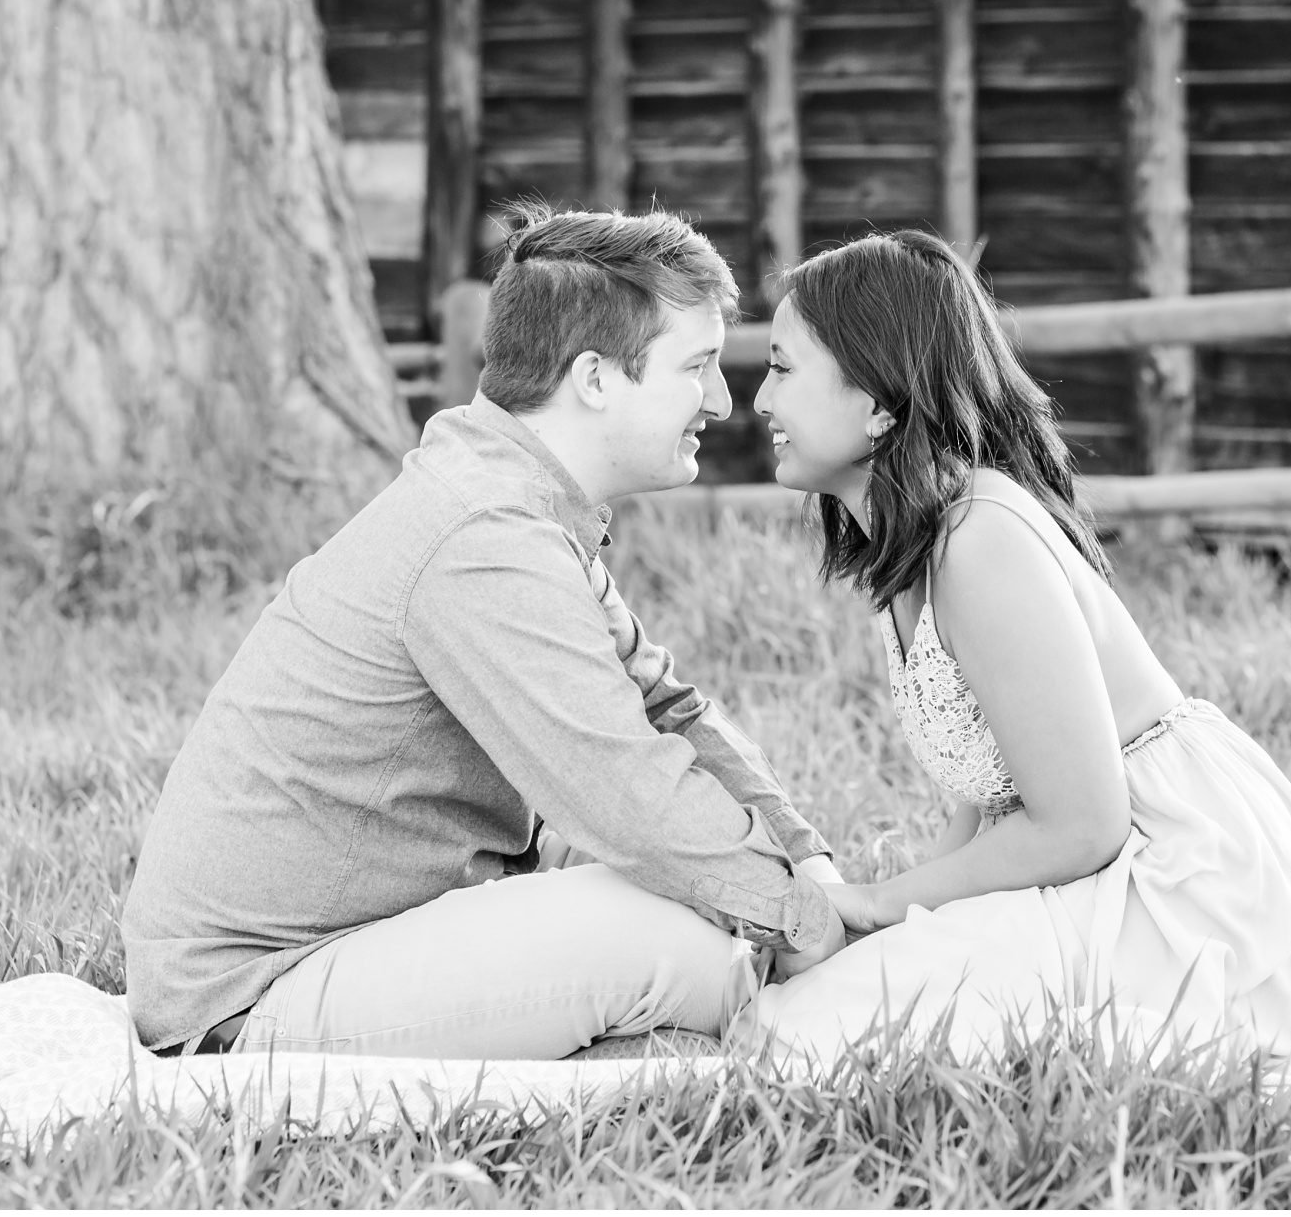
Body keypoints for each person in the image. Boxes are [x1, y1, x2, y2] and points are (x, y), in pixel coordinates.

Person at [122, 204, 847, 1062]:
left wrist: (812, 871)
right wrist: (806, 922)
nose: (723, 401)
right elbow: (622, 788)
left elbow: (667, 712)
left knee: (706, 898)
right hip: (249, 998)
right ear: (594, 378)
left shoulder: (513, 496)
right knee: (688, 939)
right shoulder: (481, 533)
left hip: (361, 935)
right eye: (696, 367)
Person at [733, 229, 1291, 1072]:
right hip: (1097, 854)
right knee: (831, 1001)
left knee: (832, 1034)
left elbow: (1084, 823)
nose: (761, 400)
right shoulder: (914, 540)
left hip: (1174, 877)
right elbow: (991, 784)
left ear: (879, 402)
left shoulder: (980, 540)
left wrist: (880, 904)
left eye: (782, 367)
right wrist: (889, 921)